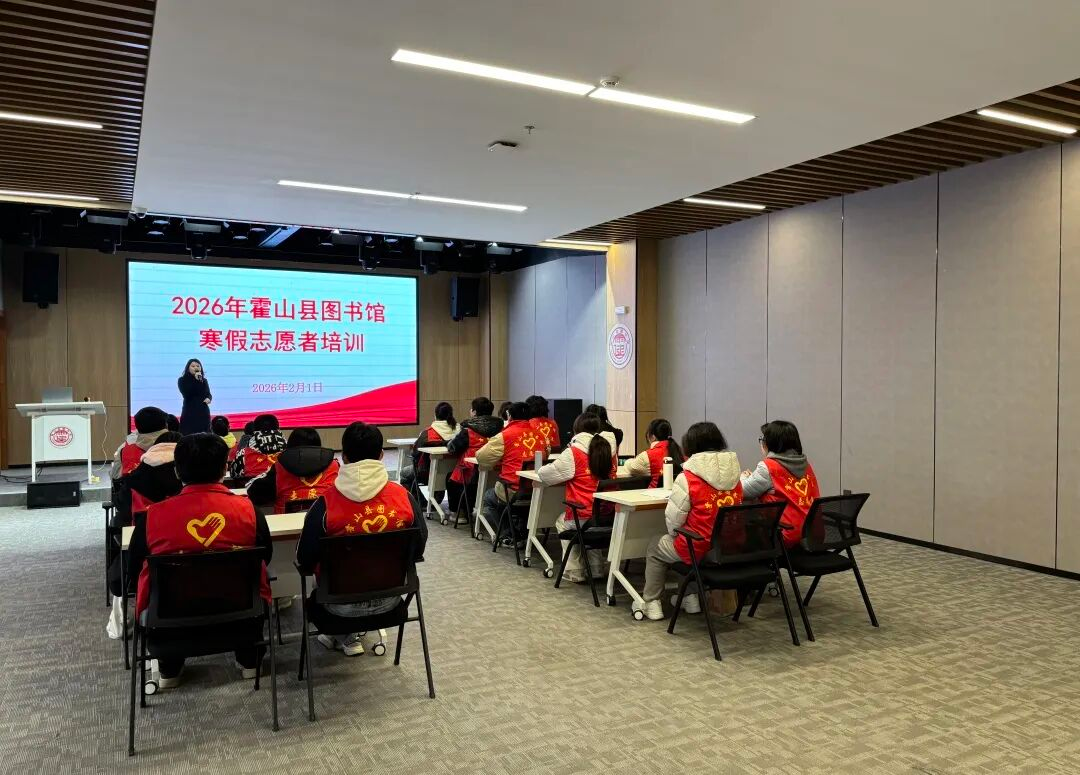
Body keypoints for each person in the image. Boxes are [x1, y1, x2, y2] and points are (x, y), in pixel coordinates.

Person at [127, 433, 272, 687]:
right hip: (242, 619)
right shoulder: (250, 511)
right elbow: (266, 556)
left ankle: (169, 668)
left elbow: (134, 568)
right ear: (225, 469)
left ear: (177, 471)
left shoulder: (152, 518)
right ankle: (250, 661)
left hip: (169, 624)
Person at [295, 421, 427, 657]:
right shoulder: (405, 498)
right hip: (391, 602)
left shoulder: (324, 506)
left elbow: (304, 559)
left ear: (344, 457)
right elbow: (418, 549)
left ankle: (342, 636)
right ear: (381, 455)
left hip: (337, 609)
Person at [635, 422, 742, 621]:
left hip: (700, 548)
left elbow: (674, 521)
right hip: (727, 548)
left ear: (690, 445)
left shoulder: (688, 477)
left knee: (656, 547)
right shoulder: (736, 475)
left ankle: (652, 602)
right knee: (685, 540)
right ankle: (689, 597)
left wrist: (676, 534)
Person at [105, 429, 184, 640]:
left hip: (153, 577)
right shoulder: (193, 484)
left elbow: (131, 566)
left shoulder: (135, 481)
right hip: (209, 587)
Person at [536, 413, 617, 582]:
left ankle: (574, 570)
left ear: (575, 430)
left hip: (582, 514)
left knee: (562, 521)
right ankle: (596, 568)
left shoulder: (573, 453)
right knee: (591, 524)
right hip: (606, 514)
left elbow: (546, 475)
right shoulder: (607, 450)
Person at [740, 420, 820, 548]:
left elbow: (742, 492)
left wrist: (743, 477)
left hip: (784, 535)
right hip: (812, 534)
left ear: (770, 443)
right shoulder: (806, 465)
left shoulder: (769, 467)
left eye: (763, 439)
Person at [476, 401, 542, 546]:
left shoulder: (504, 435)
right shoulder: (540, 435)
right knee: (521, 503)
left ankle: (510, 534)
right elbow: (546, 454)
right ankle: (523, 532)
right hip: (536, 489)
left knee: (489, 497)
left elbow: (481, 457)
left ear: (509, 415)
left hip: (513, 489)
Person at [247, 427, 340, 513]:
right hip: (326, 523)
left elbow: (255, 494)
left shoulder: (279, 468)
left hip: (285, 524)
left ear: (289, 447)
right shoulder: (334, 466)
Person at [445, 396, 503, 514]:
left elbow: (453, 448)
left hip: (469, 472)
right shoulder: (501, 429)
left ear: (475, 412)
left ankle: (459, 513)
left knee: (450, 479)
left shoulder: (468, 430)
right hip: (495, 471)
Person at [400, 402, 458, 498]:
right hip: (456, 474)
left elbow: (415, 454)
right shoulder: (461, 432)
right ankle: (435, 500)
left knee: (404, 474)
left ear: (435, 415)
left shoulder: (427, 434)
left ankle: (421, 503)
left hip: (427, 473)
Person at [110, 406, 170, 481]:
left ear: (138, 428)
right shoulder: (176, 446)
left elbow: (115, 475)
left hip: (132, 487)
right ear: (166, 425)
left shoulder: (125, 448)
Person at [625, 418, 684, 488]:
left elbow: (631, 468)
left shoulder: (647, 455)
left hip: (655, 493)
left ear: (653, 437)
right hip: (676, 492)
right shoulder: (680, 451)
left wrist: (628, 460)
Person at [229, 414, 287, 479]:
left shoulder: (243, 454)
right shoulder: (288, 452)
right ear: (278, 429)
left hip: (253, 485)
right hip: (283, 485)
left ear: (254, 432)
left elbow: (233, 474)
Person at [177, 358, 212, 435]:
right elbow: (187, 394)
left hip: (203, 411)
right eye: (193, 366)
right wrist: (196, 381)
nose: (196, 368)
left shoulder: (204, 380)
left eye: (198, 366)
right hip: (189, 412)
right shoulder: (182, 380)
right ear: (188, 368)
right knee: (188, 435)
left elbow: (208, 394)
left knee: (204, 435)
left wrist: (209, 399)